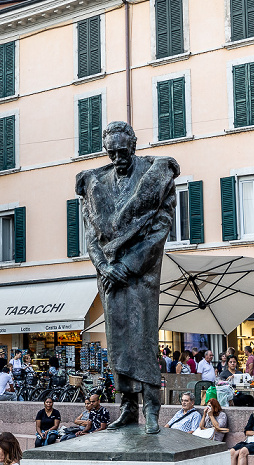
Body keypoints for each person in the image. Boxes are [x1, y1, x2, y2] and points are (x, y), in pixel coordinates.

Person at [76, 121, 179, 434]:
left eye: (123, 151)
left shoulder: (152, 176)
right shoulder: (97, 183)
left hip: (141, 274)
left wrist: (129, 265)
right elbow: (91, 235)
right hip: (109, 276)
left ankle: (151, 407)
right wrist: (105, 267)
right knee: (118, 341)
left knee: (144, 339)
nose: (118, 157)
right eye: (112, 152)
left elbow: (161, 227)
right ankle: (128, 409)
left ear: (133, 146)